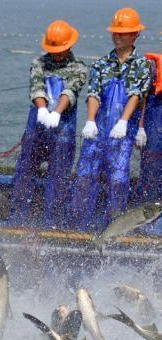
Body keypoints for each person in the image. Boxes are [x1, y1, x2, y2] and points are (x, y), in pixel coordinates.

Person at [69, 8, 152, 231]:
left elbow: (137, 94)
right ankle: (78, 225)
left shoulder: (142, 65)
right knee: (85, 176)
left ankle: (114, 226)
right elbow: (93, 94)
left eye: (122, 33)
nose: (117, 36)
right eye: (115, 33)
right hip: (98, 132)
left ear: (135, 35)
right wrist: (90, 121)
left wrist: (124, 122)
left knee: (117, 180)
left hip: (122, 134)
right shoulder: (101, 65)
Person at [9, 21, 87, 227]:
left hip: (63, 131)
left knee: (58, 177)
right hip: (37, 129)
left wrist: (57, 112)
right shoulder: (38, 63)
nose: (57, 54)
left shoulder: (79, 68)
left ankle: (53, 222)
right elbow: (36, 88)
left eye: (60, 50)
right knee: (24, 171)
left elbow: (70, 91)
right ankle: (17, 219)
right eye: (53, 50)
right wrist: (43, 110)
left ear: (69, 46)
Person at [135, 51, 162, 204]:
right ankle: (146, 223)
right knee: (151, 172)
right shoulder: (153, 66)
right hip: (156, 125)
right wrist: (140, 127)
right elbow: (142, 96)